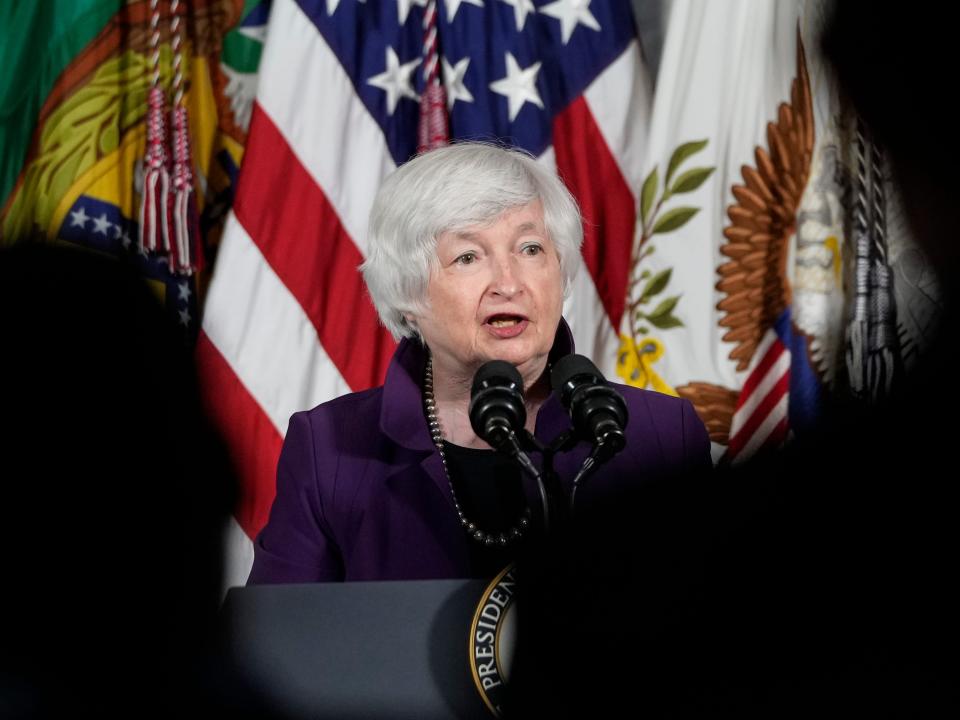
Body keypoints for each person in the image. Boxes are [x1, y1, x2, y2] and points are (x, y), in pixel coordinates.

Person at [247, 142, 711, 584]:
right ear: (408, 295)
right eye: (468, 256)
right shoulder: (330, 450)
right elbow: (281, 645)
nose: (508, 283)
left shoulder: (662, 436)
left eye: (531, 249)